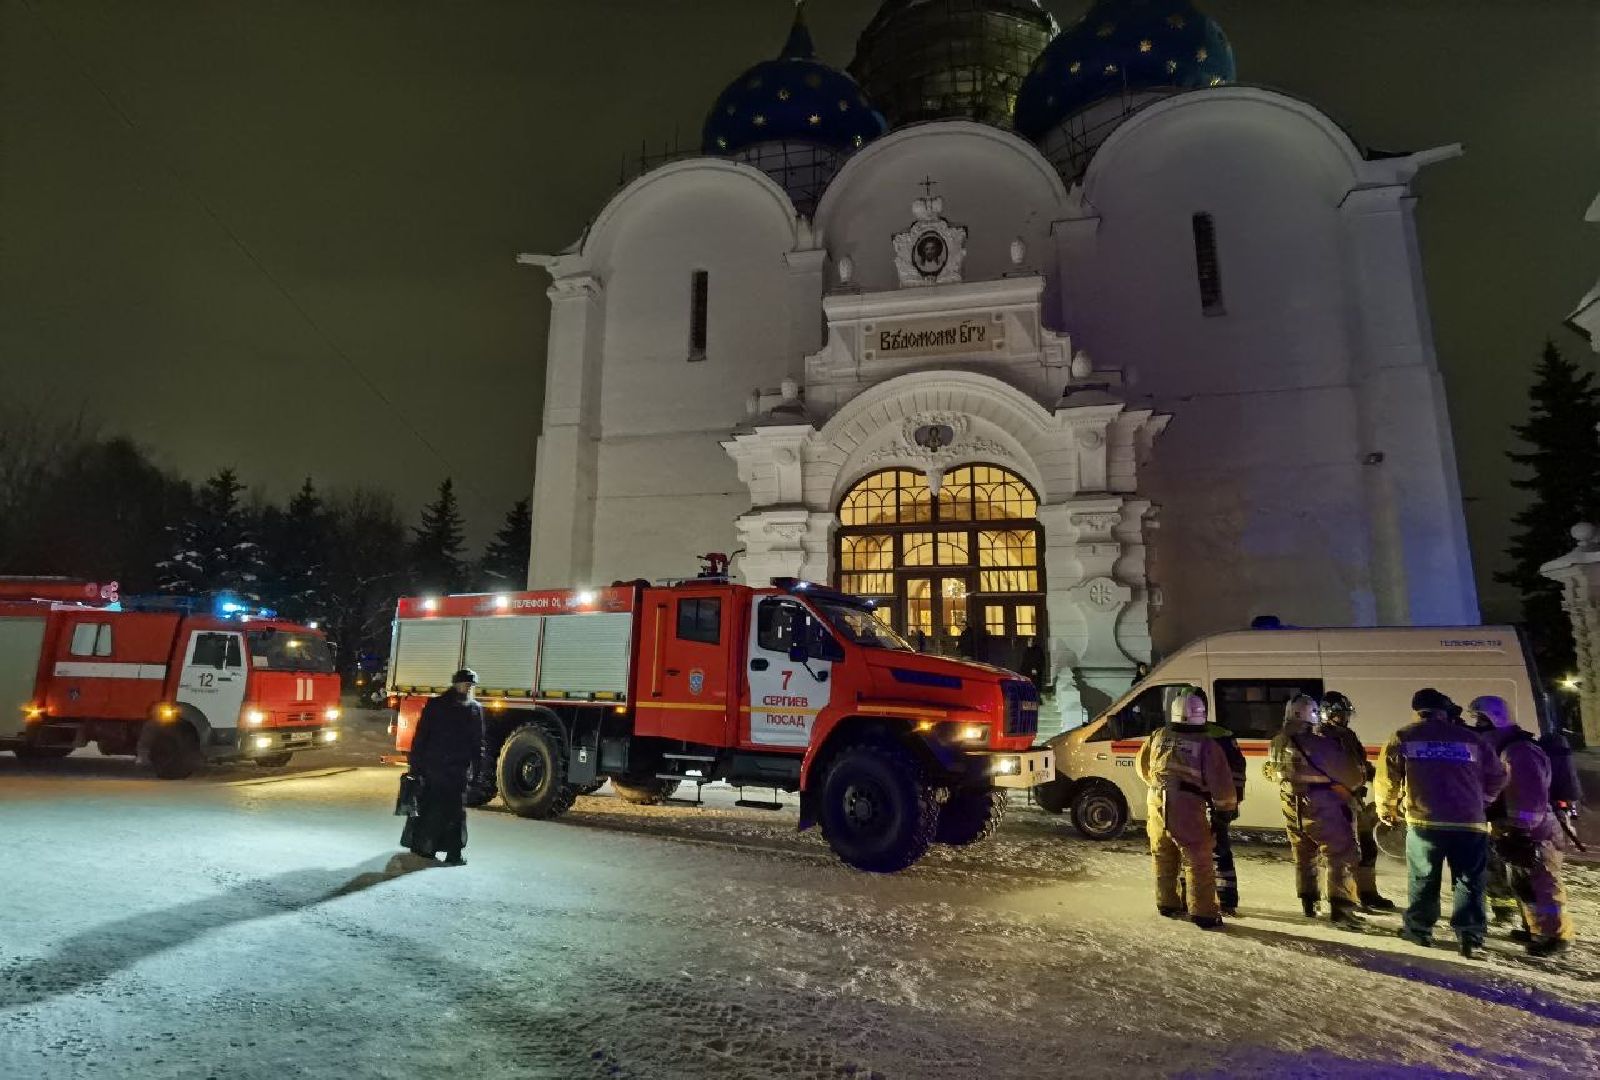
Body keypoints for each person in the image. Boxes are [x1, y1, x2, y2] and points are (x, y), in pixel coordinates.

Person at [1376, 688, 1508, 958]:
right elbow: (1498, 774)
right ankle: (1470, 935)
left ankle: (1419, 930)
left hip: (1425, 821)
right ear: (1444, 711)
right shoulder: (1471, 738)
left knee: (1423, 877)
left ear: (1418, 711)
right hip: (1469, 822)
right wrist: (1482, 799)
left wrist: (1386, 809)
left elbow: (1387, 779)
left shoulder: (1403, 736)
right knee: (1469, 879)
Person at [1466, 695, 1573, 957]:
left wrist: (1521, 831)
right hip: (1514, 827)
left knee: (1544, 885)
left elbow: (1529, 797)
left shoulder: (1519, 751)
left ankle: (1556, 936)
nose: (1477, 726)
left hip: (1534, 830)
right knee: (1524, 883)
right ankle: (1536, 929)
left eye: (1480, 719)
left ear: (1494, 719)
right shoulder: (1502, 747)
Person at [1134, 690, 1239, 929]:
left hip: (1156, 800)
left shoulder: (1158, 735)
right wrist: (1226, 810)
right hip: (1187, 803)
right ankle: (1203, 913)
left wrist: (1159, 784)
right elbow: (1221, 781)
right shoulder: (1206, 744)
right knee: (1198, 858)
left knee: (1163, 853)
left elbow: (1141, 766)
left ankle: (1167, 903)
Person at [1263, 694, 1367, 929]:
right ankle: (1342, 909)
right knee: (1340, 854)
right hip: (1321, 805)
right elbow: (1352, 777)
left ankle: (1309, 903)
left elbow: (1270, 772)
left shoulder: (1277, 742)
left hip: (1291, 804)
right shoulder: (1320, 743)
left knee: (1304, 854)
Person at [1319, 691, 1397, 912]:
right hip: (1337, 802)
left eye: (1344, 715)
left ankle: (1368, 893)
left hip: (1355, 799)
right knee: (1345, 852)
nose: (1343, 719)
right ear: (1327, 714)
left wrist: (1377, 776)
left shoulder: (1348, 736)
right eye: (1338, 714)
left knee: (1367, 847)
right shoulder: (1323, 738)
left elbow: (1360, 763)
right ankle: (1343, 897)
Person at [405, 667, 486, 866]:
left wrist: (477, 771)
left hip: (455, 770)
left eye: (471, 685)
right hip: (436, 767)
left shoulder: (474, 708)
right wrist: (415, 765)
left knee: (454, 812)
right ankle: (430, 849)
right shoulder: (438, 706)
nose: (468, 688)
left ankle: (451, 853)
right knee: (435, 809)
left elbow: (478, 744)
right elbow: (421, 736)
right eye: (466, 684)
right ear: (456, 683)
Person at [1196, 704, 1248, 916]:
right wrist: (1232, 802)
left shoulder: (1187, 735)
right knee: (1221, 851)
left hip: (1198, 803)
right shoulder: (1223, 734)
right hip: (1220, 803)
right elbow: (1238, 771)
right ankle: (1227, 900)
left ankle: (1198, 898)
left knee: (1196, 852)